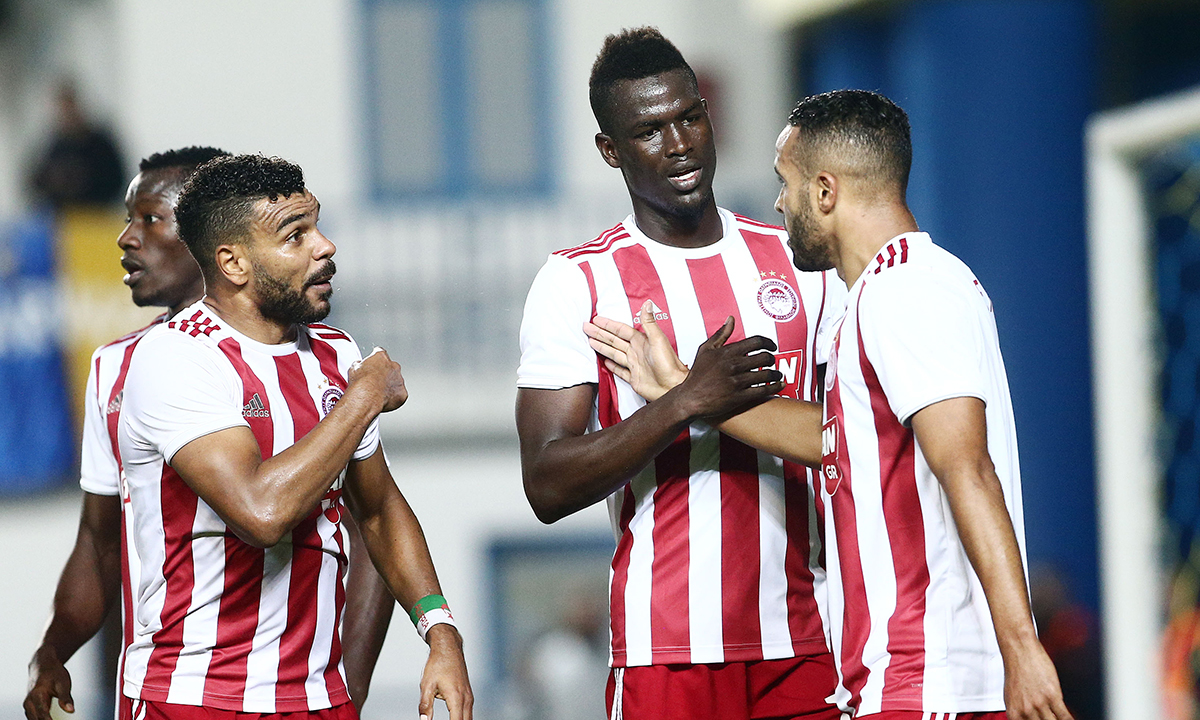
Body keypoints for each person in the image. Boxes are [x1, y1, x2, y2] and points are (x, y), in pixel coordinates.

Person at [584, 90, 1072, 720]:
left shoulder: (908, 290)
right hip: (897, 680)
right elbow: (832, 436)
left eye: (785, 184)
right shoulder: (875, 296)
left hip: (934, 680)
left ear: (823, 192)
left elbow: (969, 469)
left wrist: (1023, 649)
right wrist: (683, 391)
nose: (778, 204)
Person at [516, 28, 846, 720]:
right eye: (649, 132)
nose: (679, 145)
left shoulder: (800, 262)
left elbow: (851, 433)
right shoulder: (578, 282)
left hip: (809, 639)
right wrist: (683, 401)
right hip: (666, 653)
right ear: (611, 150)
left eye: (690, 118)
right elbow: (546, 483)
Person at [24, 148, 397, 720]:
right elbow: (100, 542)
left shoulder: (324, 359)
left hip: (303, 697)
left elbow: (373, 528)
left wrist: (350, 686)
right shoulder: (115, 366)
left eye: (150, 219)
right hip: (180, 691)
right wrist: (53, 650)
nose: (126, 237)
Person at [114, 153, 470, 720]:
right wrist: (362, 398)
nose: (324, 246)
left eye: (316, 225)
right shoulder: (175, 357)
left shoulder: (337, 354)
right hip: (197, 697)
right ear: (233, 262)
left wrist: (440, 632)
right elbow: (261, 513)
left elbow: (378, 511)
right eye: (294, 235)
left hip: (318, 698)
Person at [28, 80, 125, 208]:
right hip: (64, 215)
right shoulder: (55, 146)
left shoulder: (99, 144)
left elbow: (115, 179)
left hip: (97, 213)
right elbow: (35, 182)